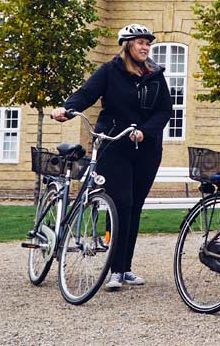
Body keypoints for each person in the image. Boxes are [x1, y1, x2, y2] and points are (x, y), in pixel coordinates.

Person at [50, 23, 171, 292]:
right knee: (122, 203)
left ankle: (125, 268)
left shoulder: (155, 74)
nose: (145, 47)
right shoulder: (109, 71)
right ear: (127, 45)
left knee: (135, 207)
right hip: (114, 145)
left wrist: (145, 131)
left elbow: (165, 110)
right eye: (140, 42)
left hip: (147, 149)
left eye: (148, 43)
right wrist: (66, 109)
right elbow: (86, 94)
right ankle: (115, 270)